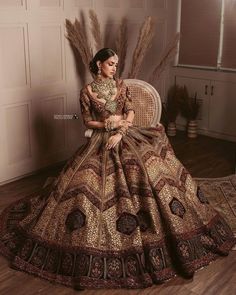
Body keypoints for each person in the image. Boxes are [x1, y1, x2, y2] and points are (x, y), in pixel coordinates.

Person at [0, 48, 235, 290]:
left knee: (150, 171)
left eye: (116, 64)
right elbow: (86, 121)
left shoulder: (122, 86)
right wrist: (106, 124)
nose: (114, 67)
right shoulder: (87, 92)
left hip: (127, 136)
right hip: (100, 139)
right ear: (99, 64)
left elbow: (130, 113)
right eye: (111, 63)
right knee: (83, 185)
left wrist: (120, 131)